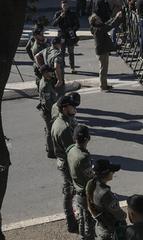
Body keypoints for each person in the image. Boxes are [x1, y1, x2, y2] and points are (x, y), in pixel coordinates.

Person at [51, 94, 81, 233]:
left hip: (64, 161)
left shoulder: (61, 121)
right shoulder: (64, 128)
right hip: (68, 164)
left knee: (69, 191)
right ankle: (71, 221)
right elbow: (73, 152)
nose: (74, 108)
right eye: (71, 106)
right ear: (64, 108)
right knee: (70, 192)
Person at [67, 125, 95, 240]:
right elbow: (90, 177)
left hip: (77, 189)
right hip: (85, 193)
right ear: (86, 139)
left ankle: (82, 236)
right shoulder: (83, 157)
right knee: (89, 221)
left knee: (82, 218)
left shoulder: (71, 149)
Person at [88, 159, 127, 240]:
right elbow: (119, 214)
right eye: (111, 171)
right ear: (105, 174)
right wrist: (124, 215)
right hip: (110, 231)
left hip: (101, 226)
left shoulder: (91, 184)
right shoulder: (105, 193)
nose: (113, 173)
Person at [90, 11, 125, 91]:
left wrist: (115, 17)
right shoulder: (98, 29)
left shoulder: (97, 27)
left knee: (104, 69)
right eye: (98, 19)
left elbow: (107, 23)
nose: (100, 20)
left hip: (102, 50)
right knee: (103, 69)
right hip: (102, 51)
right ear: (95, 21)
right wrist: (117, 17)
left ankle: (104, 84)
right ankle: (103, 86)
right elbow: (109, 26)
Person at [52, 0, 80, 72]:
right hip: (62, 35)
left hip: (70, 35)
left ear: (68, 6)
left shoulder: (72, 14)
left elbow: (77, 25)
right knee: (62, 52)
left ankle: (72, 67)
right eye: (64, 5)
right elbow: (54, 24)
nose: (65, 7)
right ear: (61, 6)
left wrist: (72, 29)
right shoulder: (58, 13)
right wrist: (60, 17)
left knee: (71, 52)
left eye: (66, 5)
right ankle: (62, 67)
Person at [38, 64, 59, 158]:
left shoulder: (46, 81)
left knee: (48, 130)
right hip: (48, 111)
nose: (52, 72)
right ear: (45, 73)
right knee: (50, 132)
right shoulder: (46, 85)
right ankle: (51, 151)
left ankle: (49, 146)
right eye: (50, 71)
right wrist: (54, 112)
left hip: (47, 110)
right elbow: (47, 102)